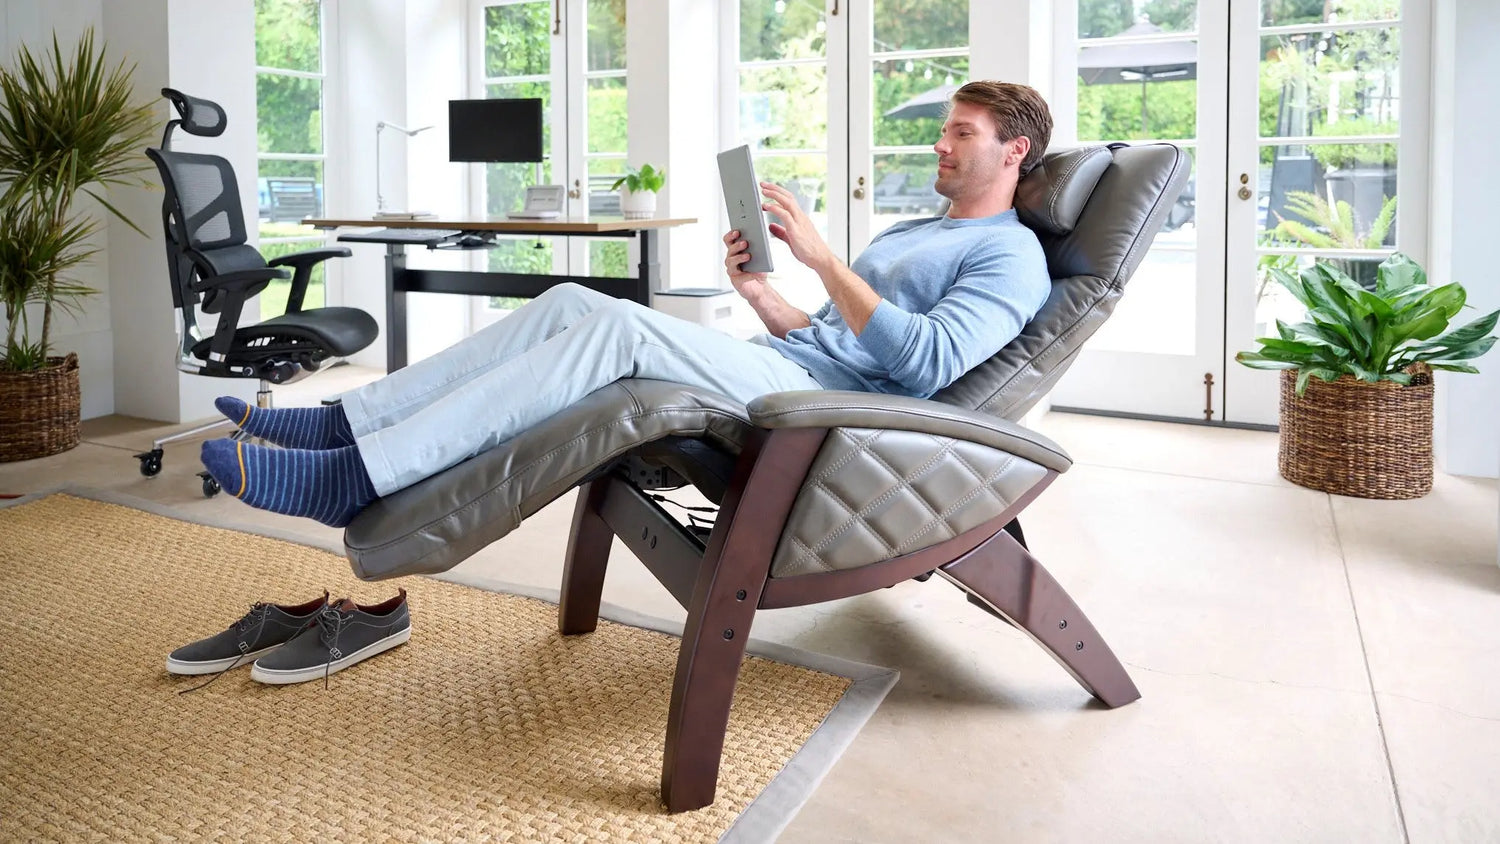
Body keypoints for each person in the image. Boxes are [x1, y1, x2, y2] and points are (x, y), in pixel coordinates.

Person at [200, 80, 1055, 528]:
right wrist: (763, 294)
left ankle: (354, 477)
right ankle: (346, 424)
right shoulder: (916, 229)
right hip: (792, 364)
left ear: (1013, 151)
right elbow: (833, 335)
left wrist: (825, 258)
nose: (940, 144)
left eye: (962, 134)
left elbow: (928, 365)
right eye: (945, 128)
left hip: (832, 414)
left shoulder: (1009, 256)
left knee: (609, 326)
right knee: (574, 294)